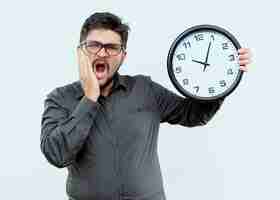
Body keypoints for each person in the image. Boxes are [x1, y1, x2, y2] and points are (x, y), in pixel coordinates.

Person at [40, 12, 252, 200]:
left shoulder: (145, 89)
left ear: (123, 55)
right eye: (94, 45)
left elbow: (194, 114)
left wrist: (223, 75)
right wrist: (89, 98)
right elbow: (56, 155)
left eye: (112, 47)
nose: (102, 53)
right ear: (81, 51)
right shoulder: (59, 99)